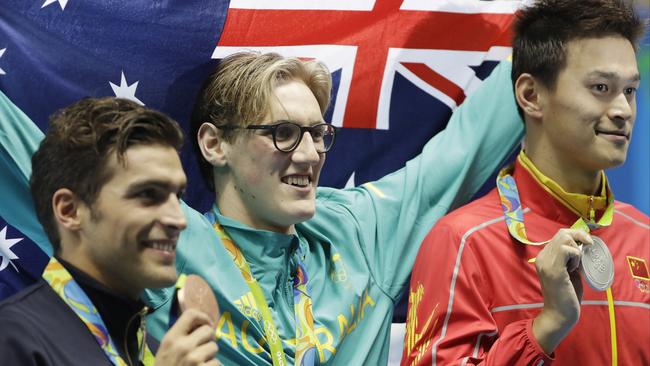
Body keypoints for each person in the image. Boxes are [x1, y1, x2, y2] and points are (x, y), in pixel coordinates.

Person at [0, 52, 525, 364]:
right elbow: (31, 158)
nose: (309, 154)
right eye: (282, 133)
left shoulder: (361, 231)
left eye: (319, 135)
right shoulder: (160, 240)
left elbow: (468, 143)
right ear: (213, 145)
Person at [402, 1, 649, 365]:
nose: (623, 110)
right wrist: (546, 327)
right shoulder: (463, 243)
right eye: (601, 87)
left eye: (629, 90)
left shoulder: (643, 236)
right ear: (531, 95)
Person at [0, 97, 219, 366]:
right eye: (148, 194)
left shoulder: (149, 347)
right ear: (70, 211)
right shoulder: (14, 339)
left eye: (177, 195)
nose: (178, 220)